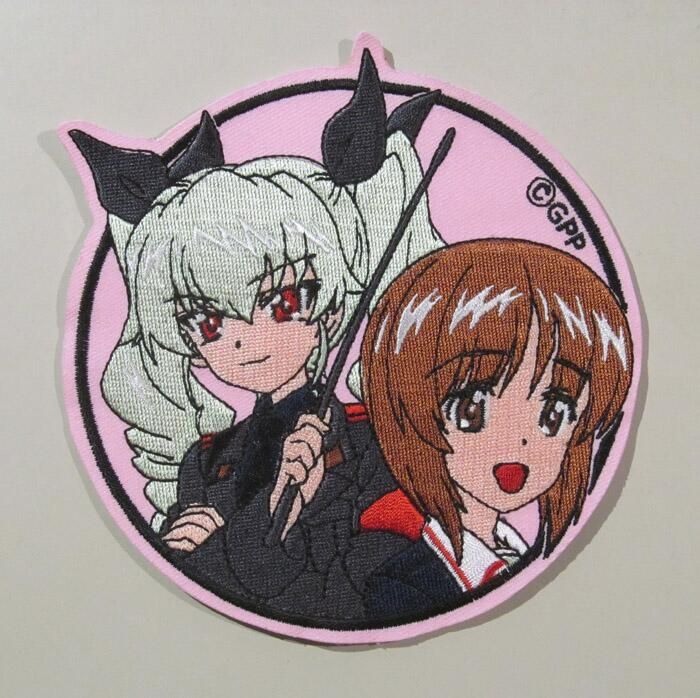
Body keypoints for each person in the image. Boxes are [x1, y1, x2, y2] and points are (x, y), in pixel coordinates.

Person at [72, 50, 446, 624]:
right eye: (208, 324)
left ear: (329, 307)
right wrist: (188, 551)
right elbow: (213, 591)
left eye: (282, 303)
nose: (246, 340)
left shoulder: (378, 442)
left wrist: (259, 528)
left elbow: (364, 589)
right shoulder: (204, 462)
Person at [358, 239, 633, 621]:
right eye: (472, 410)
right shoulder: (402, 588)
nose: (519, 441)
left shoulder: (522, 560)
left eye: (553, 414)